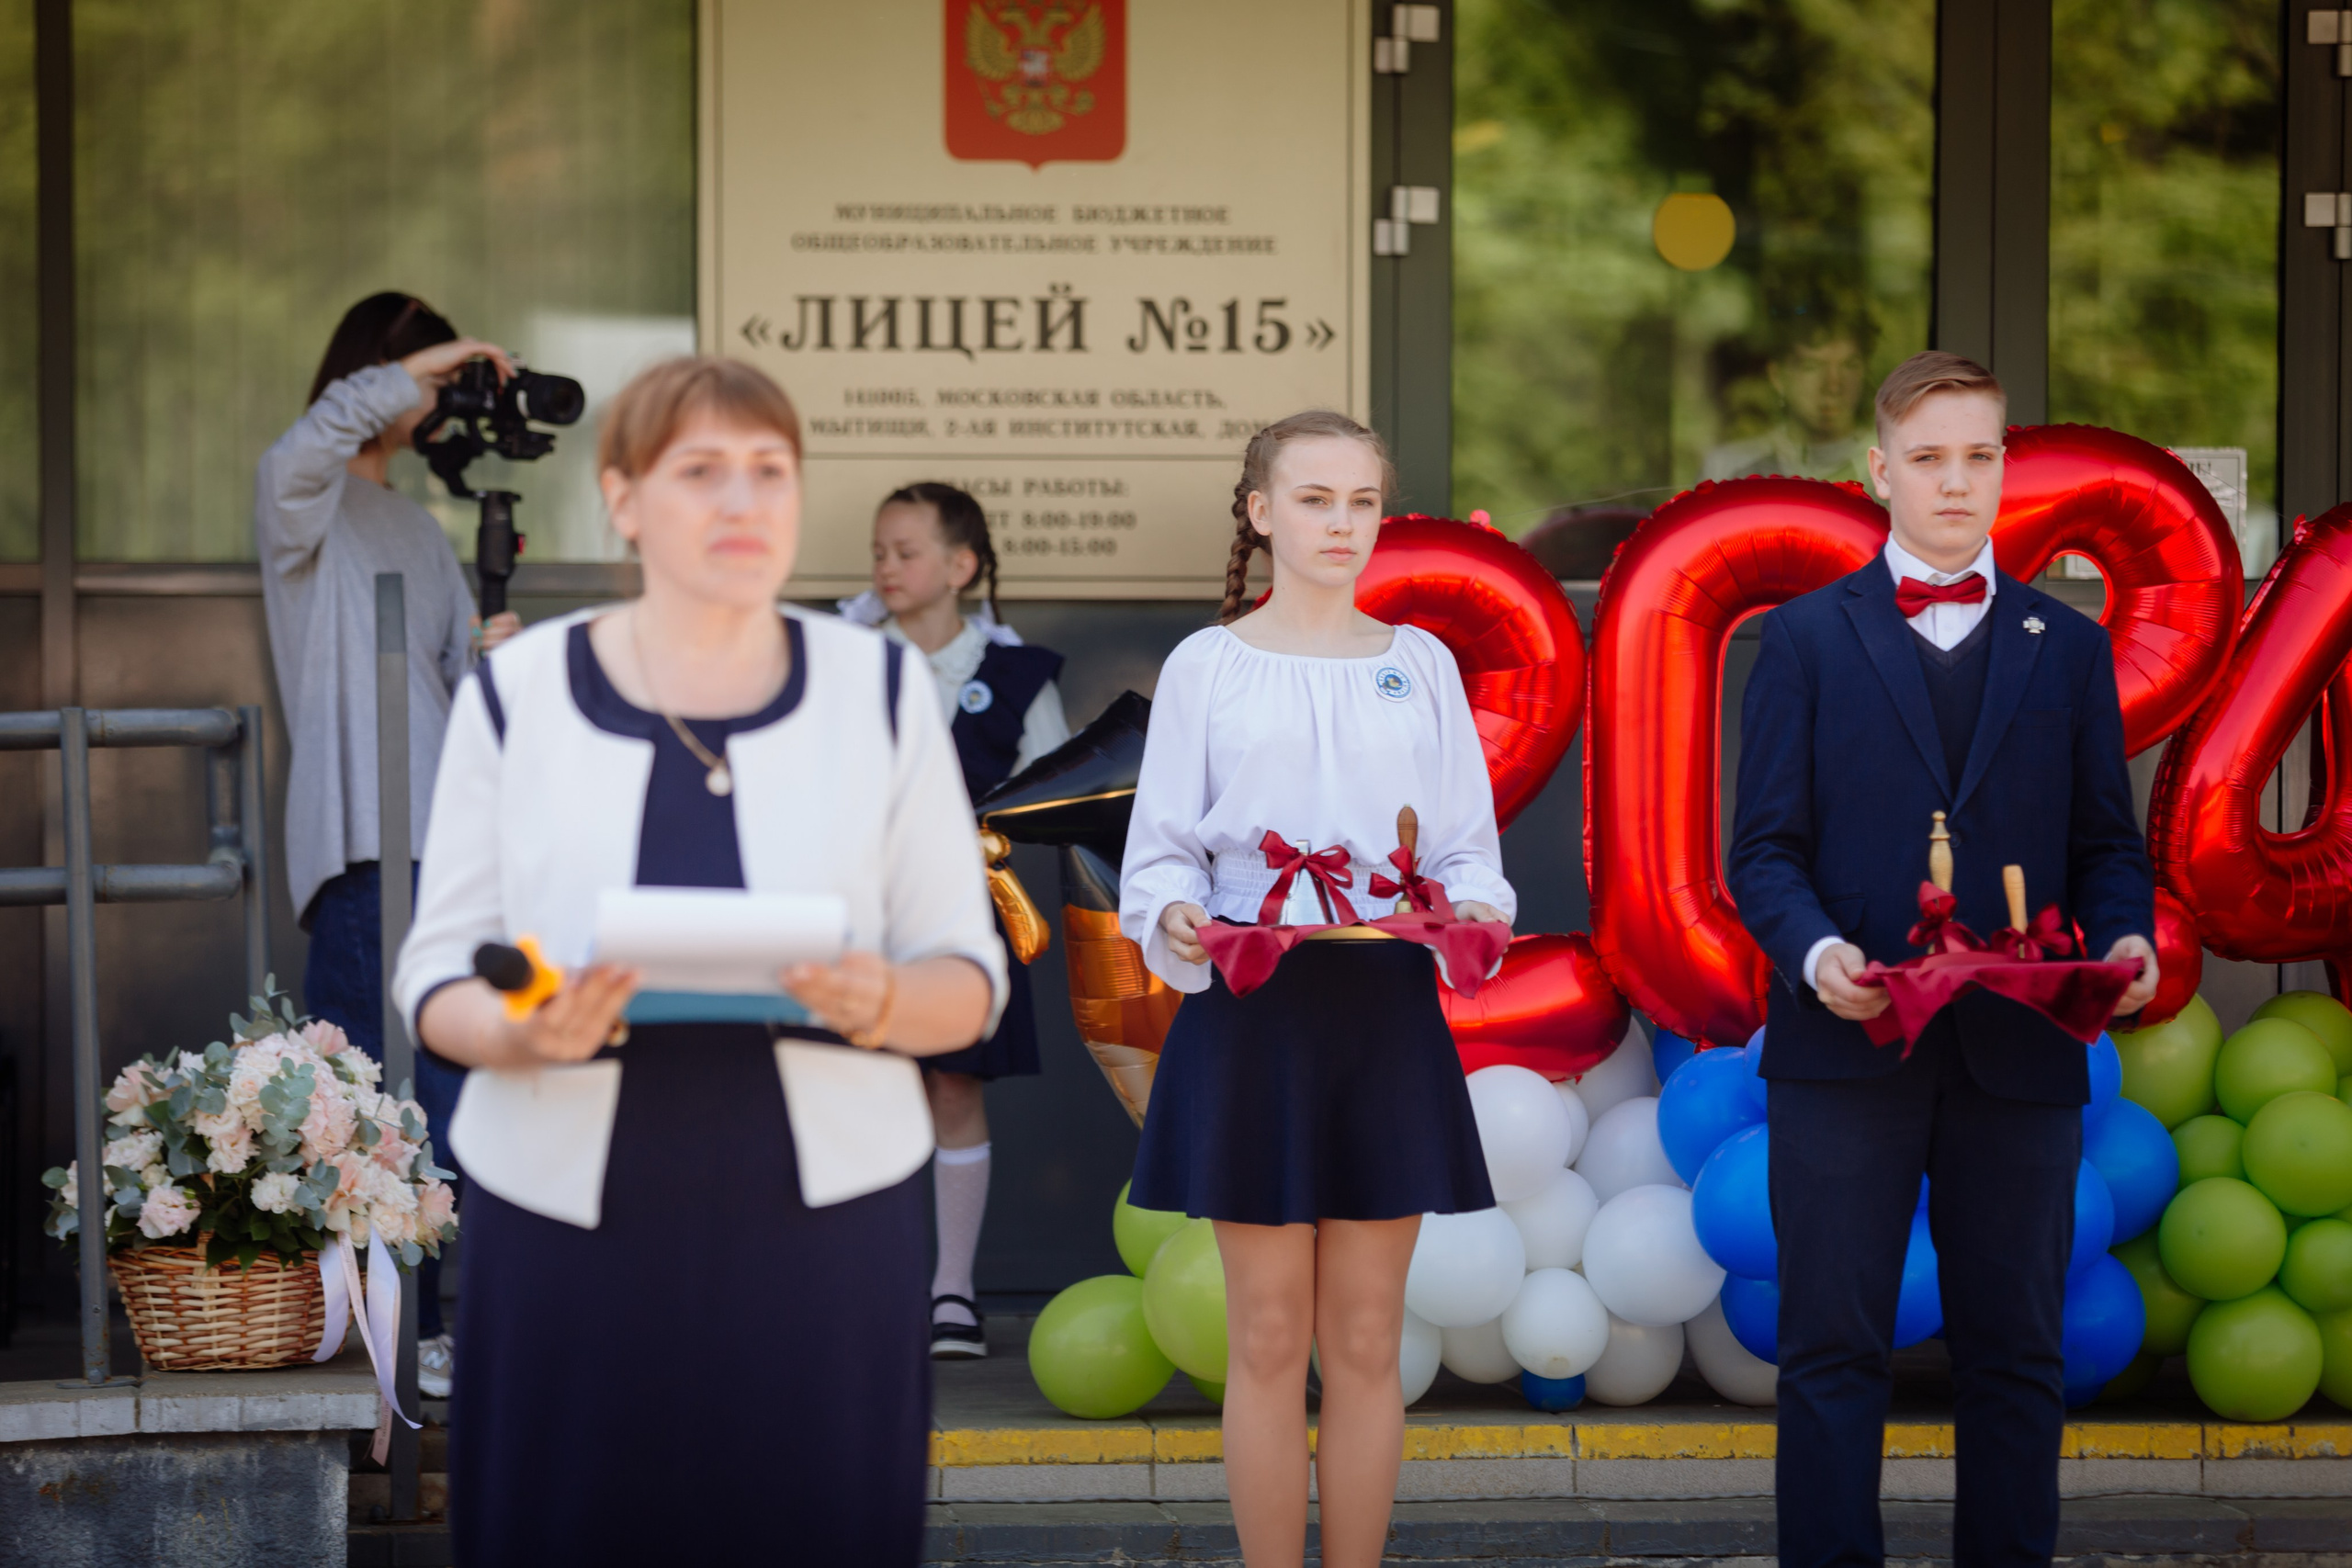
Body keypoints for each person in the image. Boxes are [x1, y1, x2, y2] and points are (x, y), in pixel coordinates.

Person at [392, 356, 1003, 1564]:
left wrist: (882, 995)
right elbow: (440, 973)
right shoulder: (521, 690)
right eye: (701, 471)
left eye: (770, 472)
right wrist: (522, 1028)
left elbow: (968, 977)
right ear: (623, 498)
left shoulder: (877, 688)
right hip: (565, 1212)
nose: (742, 502)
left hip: (828, 1223)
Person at [1726, 351, 2158, 1568]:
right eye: (1928, 457)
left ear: (2006, 466)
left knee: (2020, 1350)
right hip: (1842, 1046)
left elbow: (2103, 845)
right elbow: (1760, 850)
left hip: (2021, 1051)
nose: (1955, 480)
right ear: (1878, 471)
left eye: (1978, 455)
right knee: (1829, 1349)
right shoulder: (1804, 639)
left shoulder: (2066, 648)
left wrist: (2130, 933)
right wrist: (1816, 958)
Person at [1119, 411, 1514, 1568]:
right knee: (1269, 1335)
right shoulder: (1207, 664)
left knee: (1362, 1336)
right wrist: (1175, 913)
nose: (1341, 524)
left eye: (1360, 501)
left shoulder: (1420, 664)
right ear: (1259, 512)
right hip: (1253, 1009)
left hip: (1383, 1006)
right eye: (1312, 499)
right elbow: (1160, 858)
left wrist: (1471, 908)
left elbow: (1464, 851)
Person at [253, 291, 523, 1398]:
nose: (437, 402)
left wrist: (492, 658)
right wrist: (429, 364)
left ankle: (457, 1330)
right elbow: (304, 443)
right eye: (424, 381)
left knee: (457, 1091)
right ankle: (387, 1335)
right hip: (363, 847)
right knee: (370, 1098)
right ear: (380, 375)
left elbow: (458, 709)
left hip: (445, 850)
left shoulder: (418, 527)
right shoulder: (301, 504)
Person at [840, 481, 1069, 1359]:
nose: (886, 567)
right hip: (861, 909)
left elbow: (1057, 789)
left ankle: (951, 1292)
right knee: (862, 1088)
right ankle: (869, 1282)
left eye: (905, 551)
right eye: (879, 553)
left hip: (967, 912)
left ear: (960, 566)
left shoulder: (1016, 674)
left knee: (951, 1085)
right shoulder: (847, 660)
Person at [1702, 307, 1874, 488]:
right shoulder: (1731, 468)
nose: (1833, 385)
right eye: (1812, 367)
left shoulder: (1888, 468)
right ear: (1777, 377)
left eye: (1849, 365)